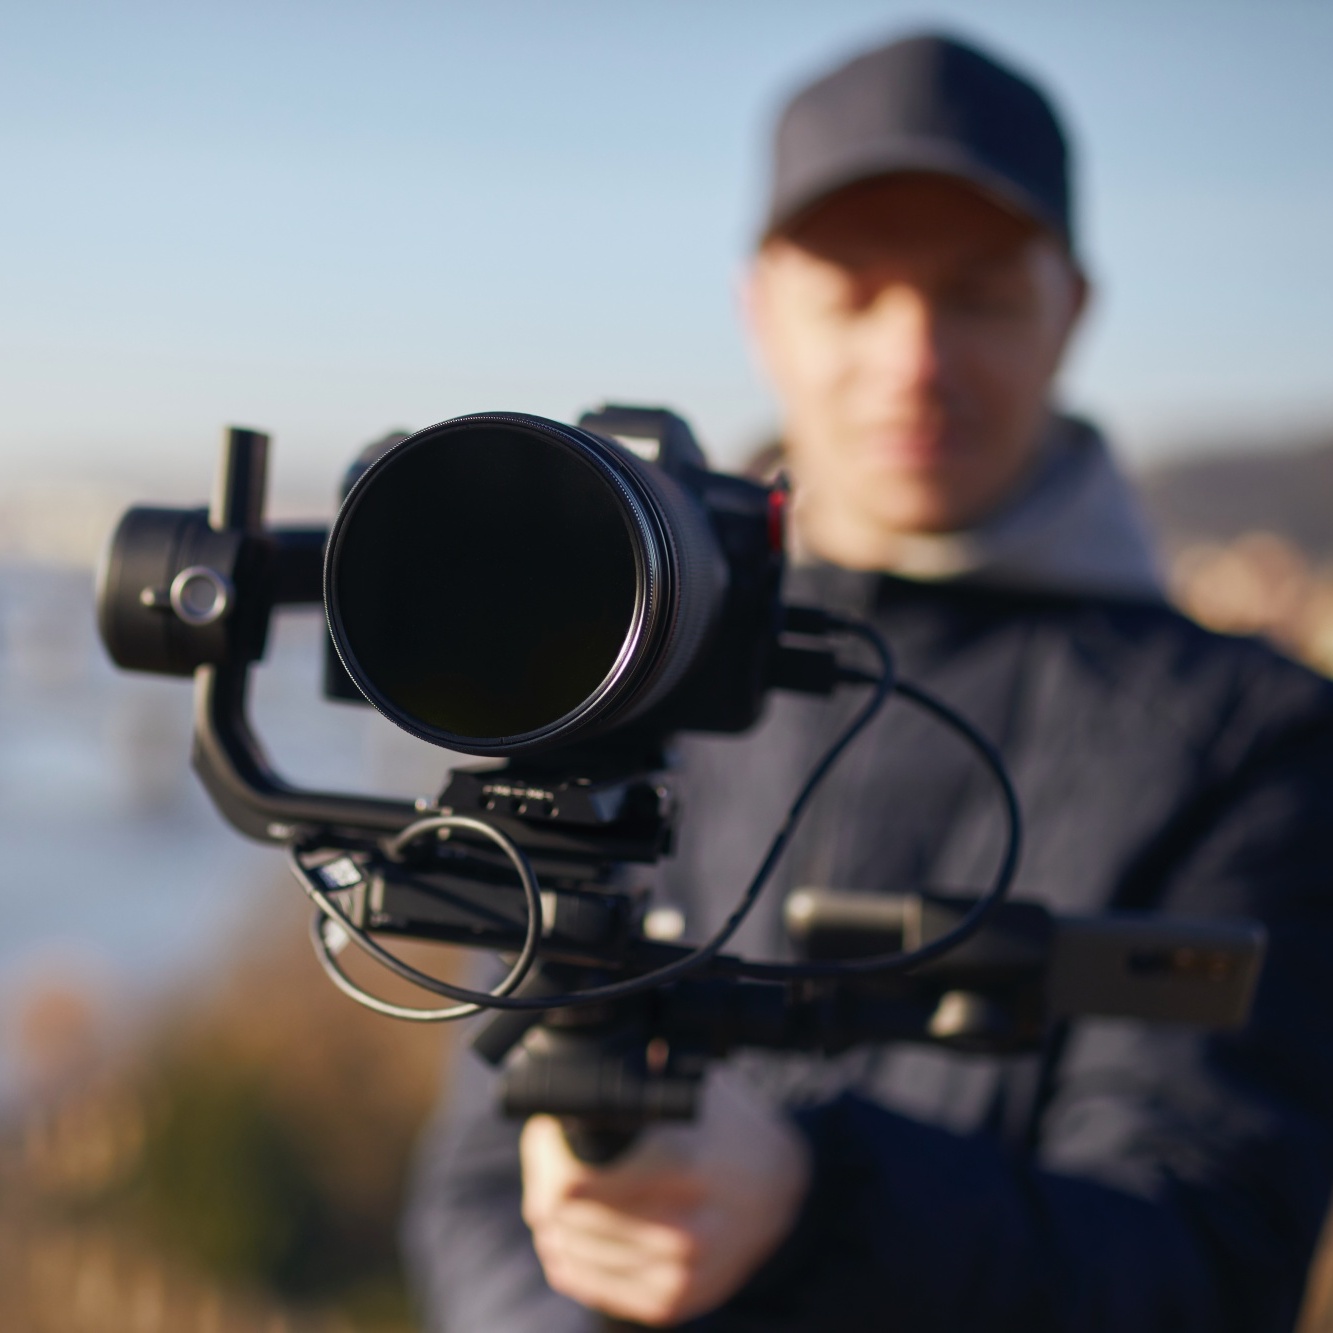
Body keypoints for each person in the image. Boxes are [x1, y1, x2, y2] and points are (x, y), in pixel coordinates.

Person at [403, 32, 1333, 1332]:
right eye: (852, 296)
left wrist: (812, 1200)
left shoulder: (1252, 739)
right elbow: (476, 1183)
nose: (914, 358)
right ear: (761, 309)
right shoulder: (620, 673)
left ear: (1071, 307)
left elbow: (1205, 1259)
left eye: (978, 295)